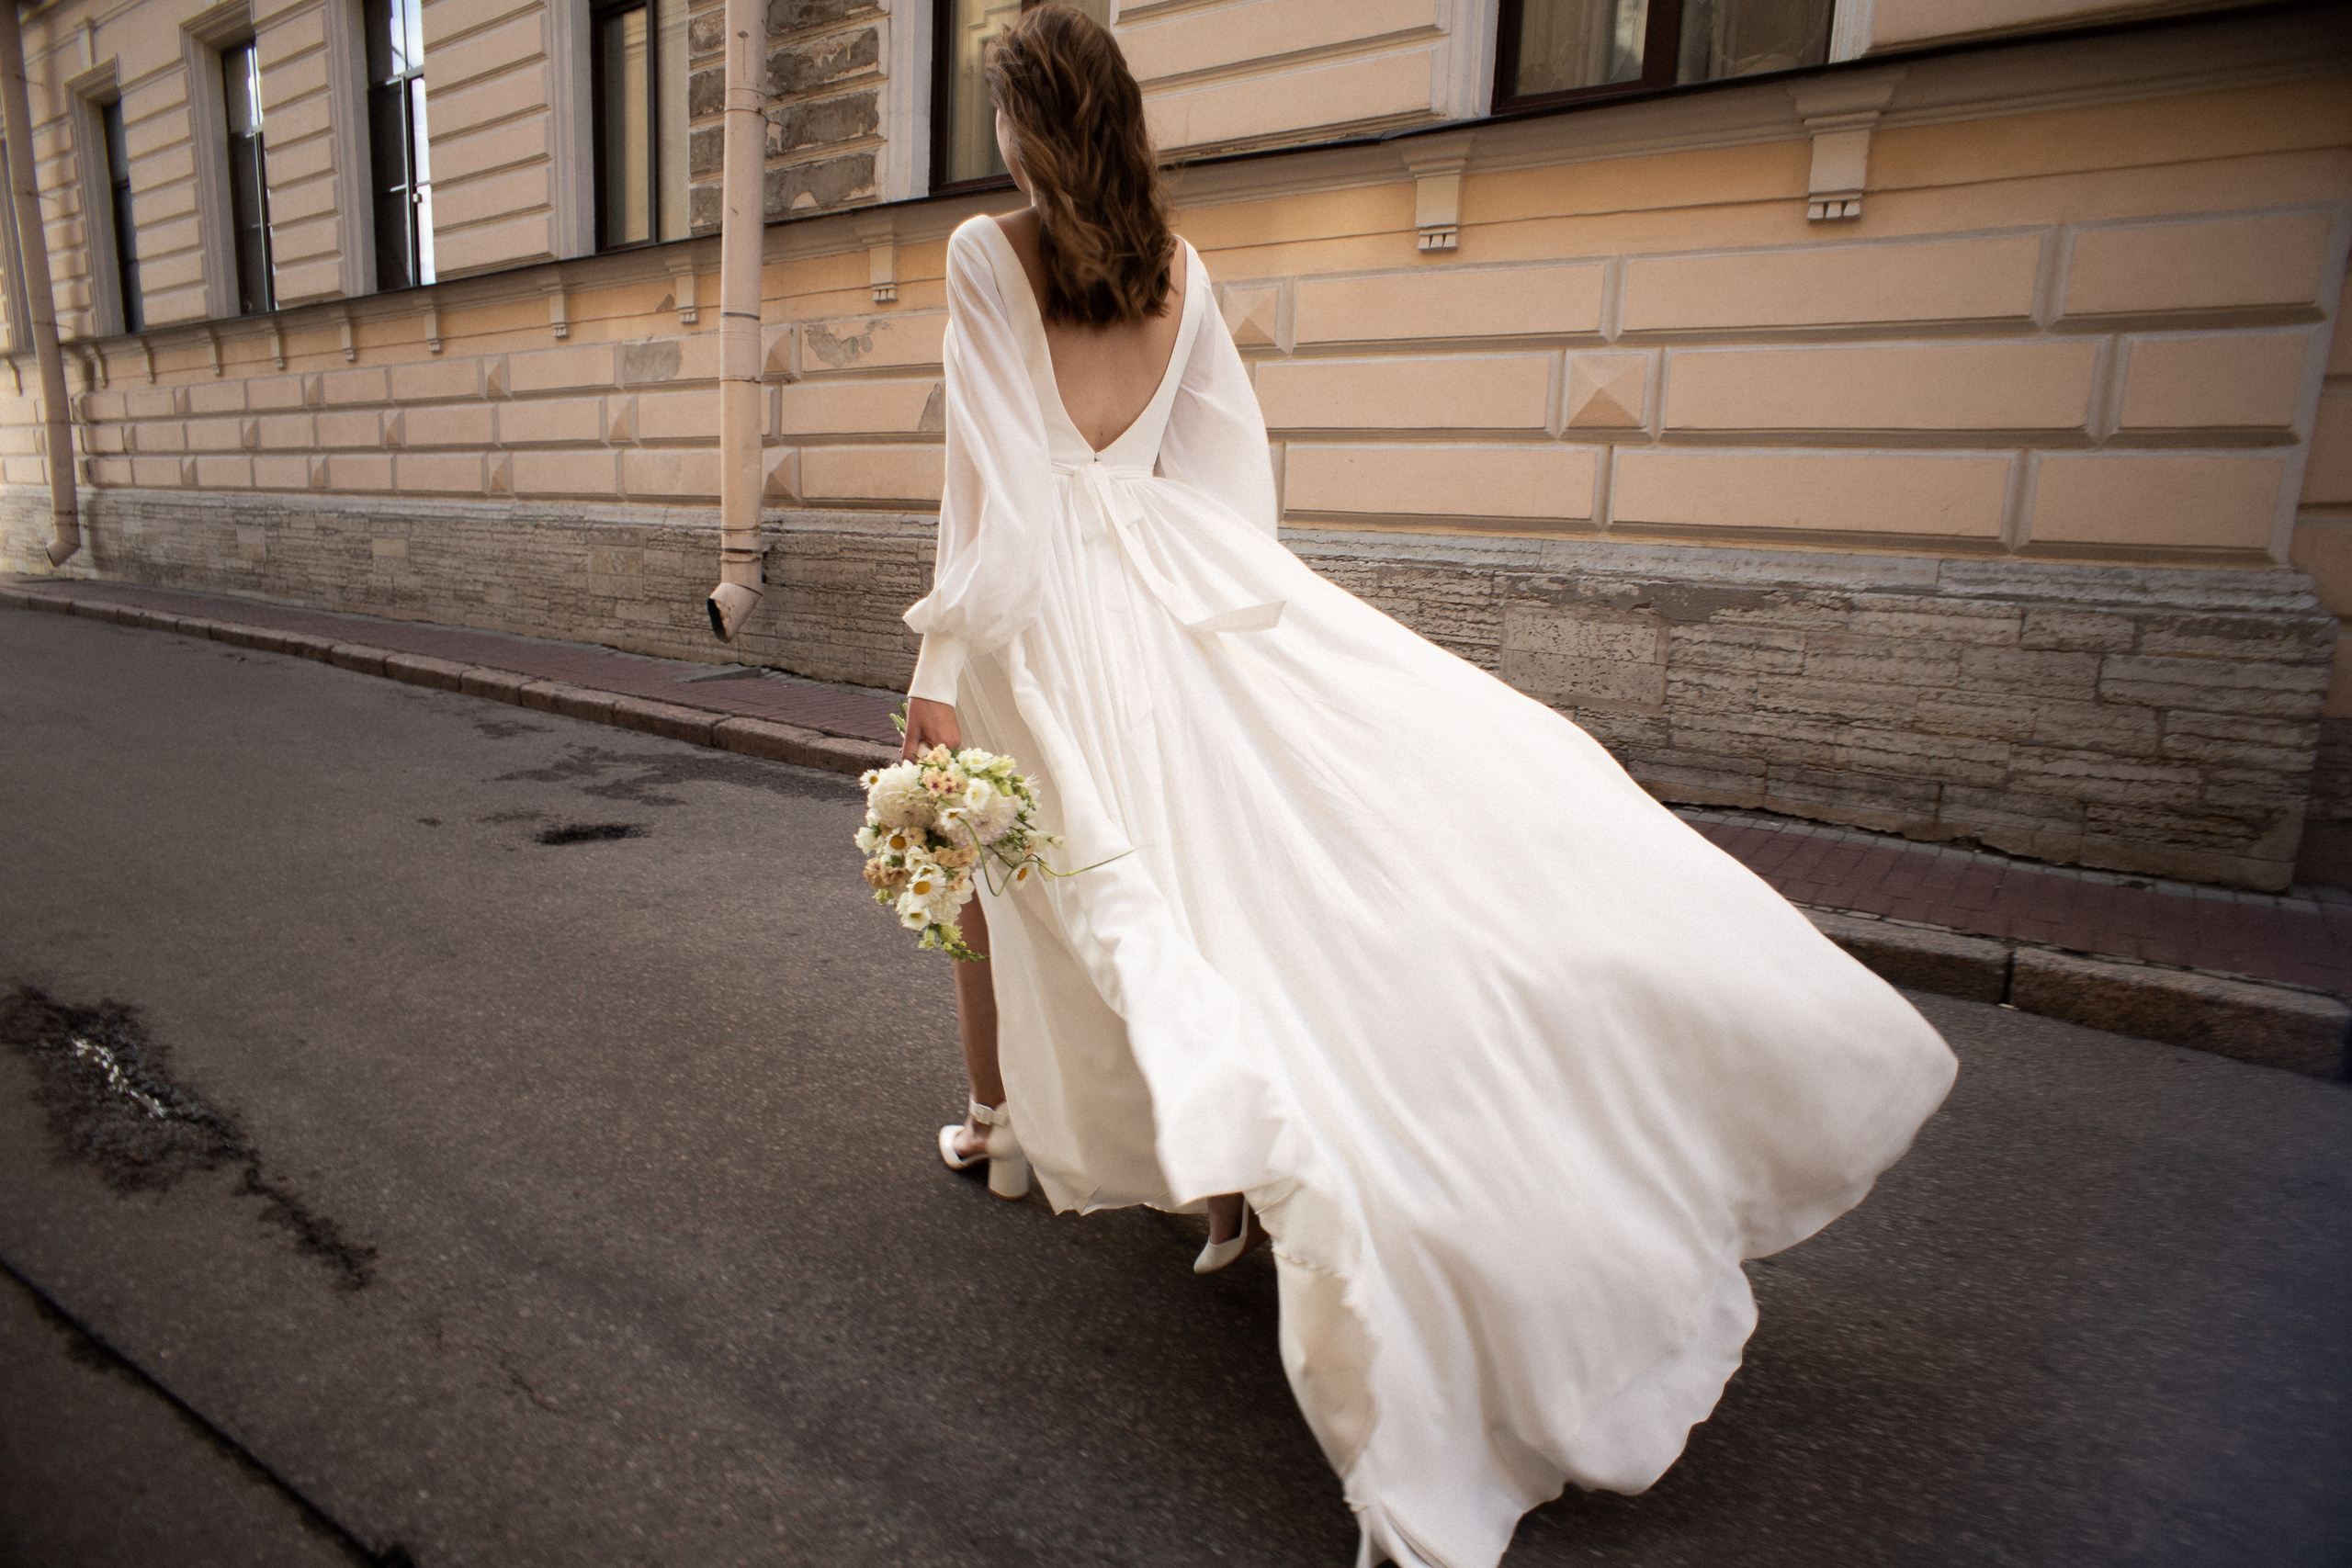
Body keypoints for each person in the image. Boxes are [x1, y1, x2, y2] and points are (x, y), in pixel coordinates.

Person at [898, 8, 1958, 1565]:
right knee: (1236, 889)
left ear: (1024, 132)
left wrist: (940, 658)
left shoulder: (990, 258)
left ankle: (1016, 1128)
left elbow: (983, 479)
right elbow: (1230, 483)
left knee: (1028, 866)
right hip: (1192, 596)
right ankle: (1184, 1174)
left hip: (1049, 613)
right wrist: (1243, 633)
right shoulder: (1186, 273)